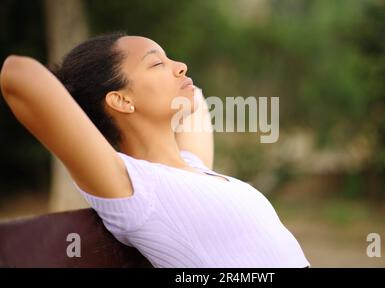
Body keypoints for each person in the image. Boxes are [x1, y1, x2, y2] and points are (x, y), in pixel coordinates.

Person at [0, 33, 310, 268]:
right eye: (157, 63)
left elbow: (197, 98)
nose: (181, 67)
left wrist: (166, 72)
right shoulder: (134, 188)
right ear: (120, 100)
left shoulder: (194, 166)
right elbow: (18, 73)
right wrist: (76, 85)